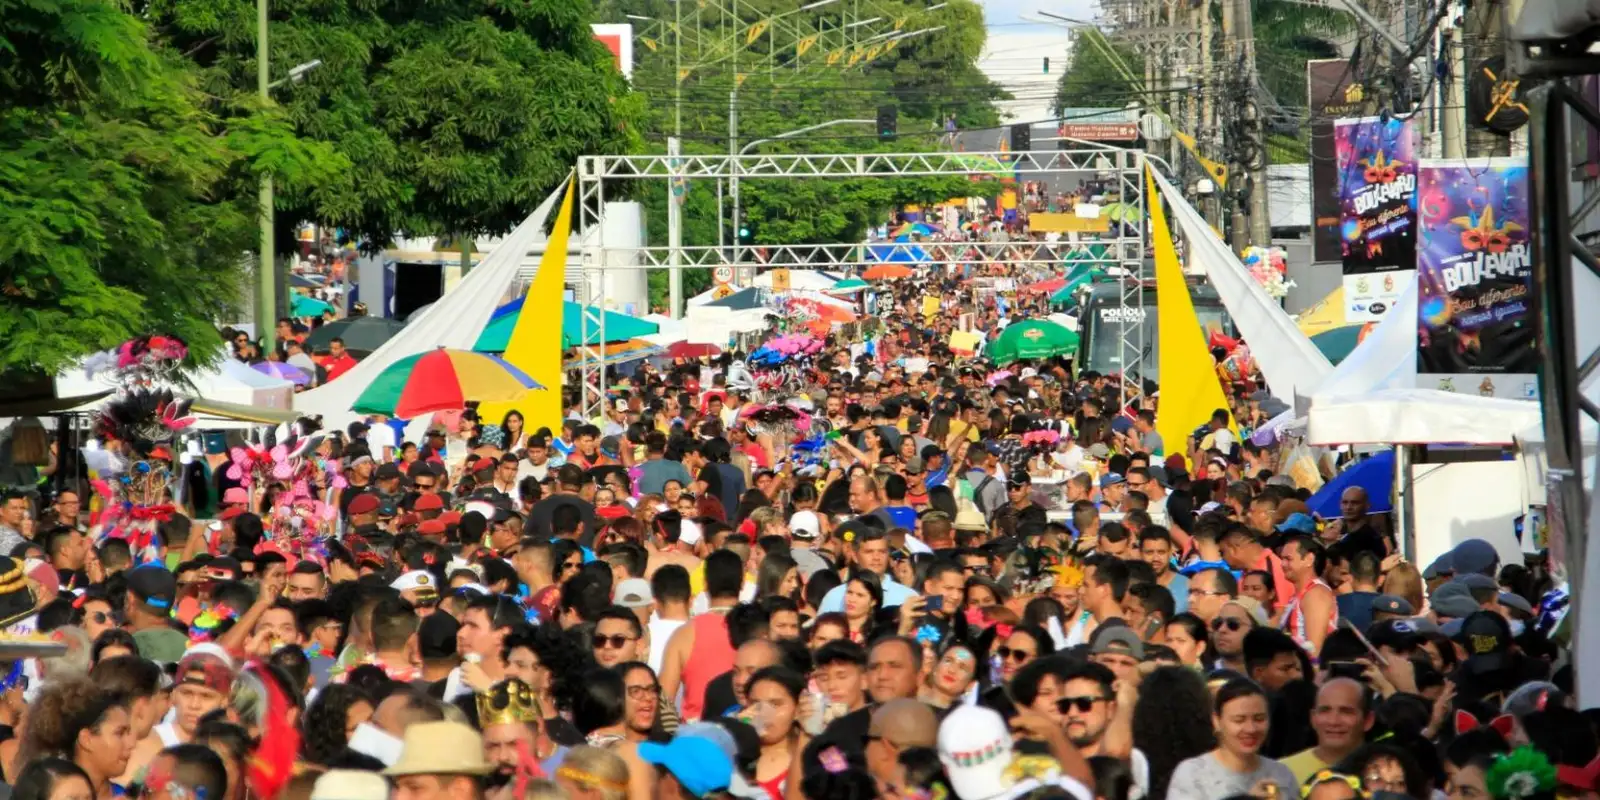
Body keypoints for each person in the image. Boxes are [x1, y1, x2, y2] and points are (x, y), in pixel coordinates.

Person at [1165, 679, 1295, 799]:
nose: (1251, 729)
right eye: (1239, 720)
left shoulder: (1281, 774)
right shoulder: (1192, 774)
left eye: (1259, 719)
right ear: (1216, 721)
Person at [1280, 678, 1372, 785]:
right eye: (1324, 711)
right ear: (1313, 718)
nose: (1333, 721)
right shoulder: (1282, 772)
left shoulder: (1389, 773)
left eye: (1346, 712)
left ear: (1368, 721)